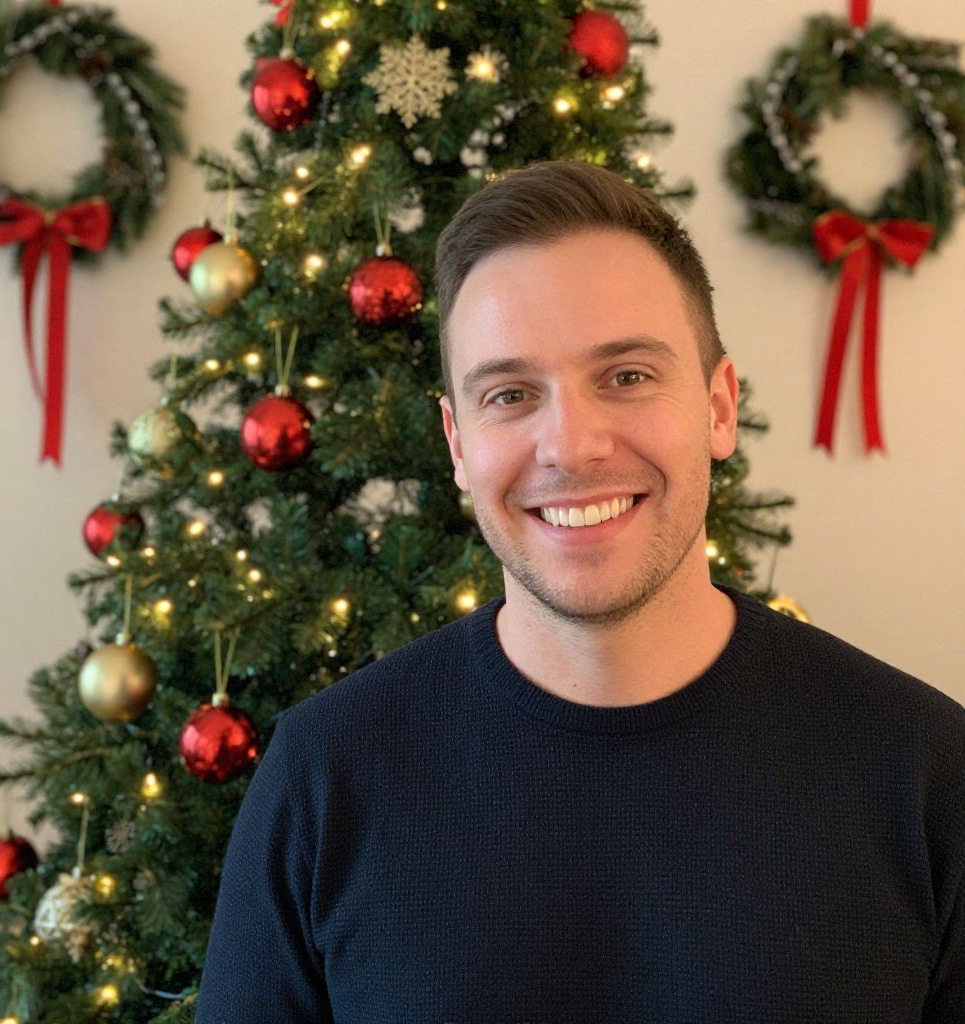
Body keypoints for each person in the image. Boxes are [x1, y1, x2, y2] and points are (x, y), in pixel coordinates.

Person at [195, 161, 965, 1022]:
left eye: (626, 376)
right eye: (510, 394)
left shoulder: (925, 771)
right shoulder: (323, 778)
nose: (571, 445)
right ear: (458, 442)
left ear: (719, 407)